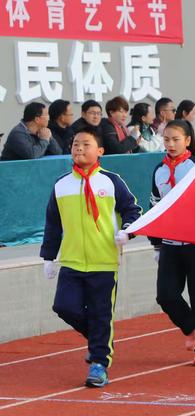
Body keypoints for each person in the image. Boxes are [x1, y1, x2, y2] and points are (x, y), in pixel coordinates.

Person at [40, 127, 142, 387]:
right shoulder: (61, 185)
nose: (79, 149)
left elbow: (133, 210)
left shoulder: (111, 181)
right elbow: (53, 223)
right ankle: (101, 340)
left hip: (104, 260)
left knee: (100, 313)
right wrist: (48, 257)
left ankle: (99, 363)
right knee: (64, 307)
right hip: (72, 260)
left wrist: (127, 233)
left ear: (100, 151)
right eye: (75, 144)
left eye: (86, 144)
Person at [150, 119, 195, 366]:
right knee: (165, 295)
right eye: (166, 139)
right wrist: (156, 243)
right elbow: (154, 207)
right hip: (170, 244)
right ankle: (190, 327)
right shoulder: (159, 170)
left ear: (188, 141)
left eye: (176, 139)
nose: (171, 144)